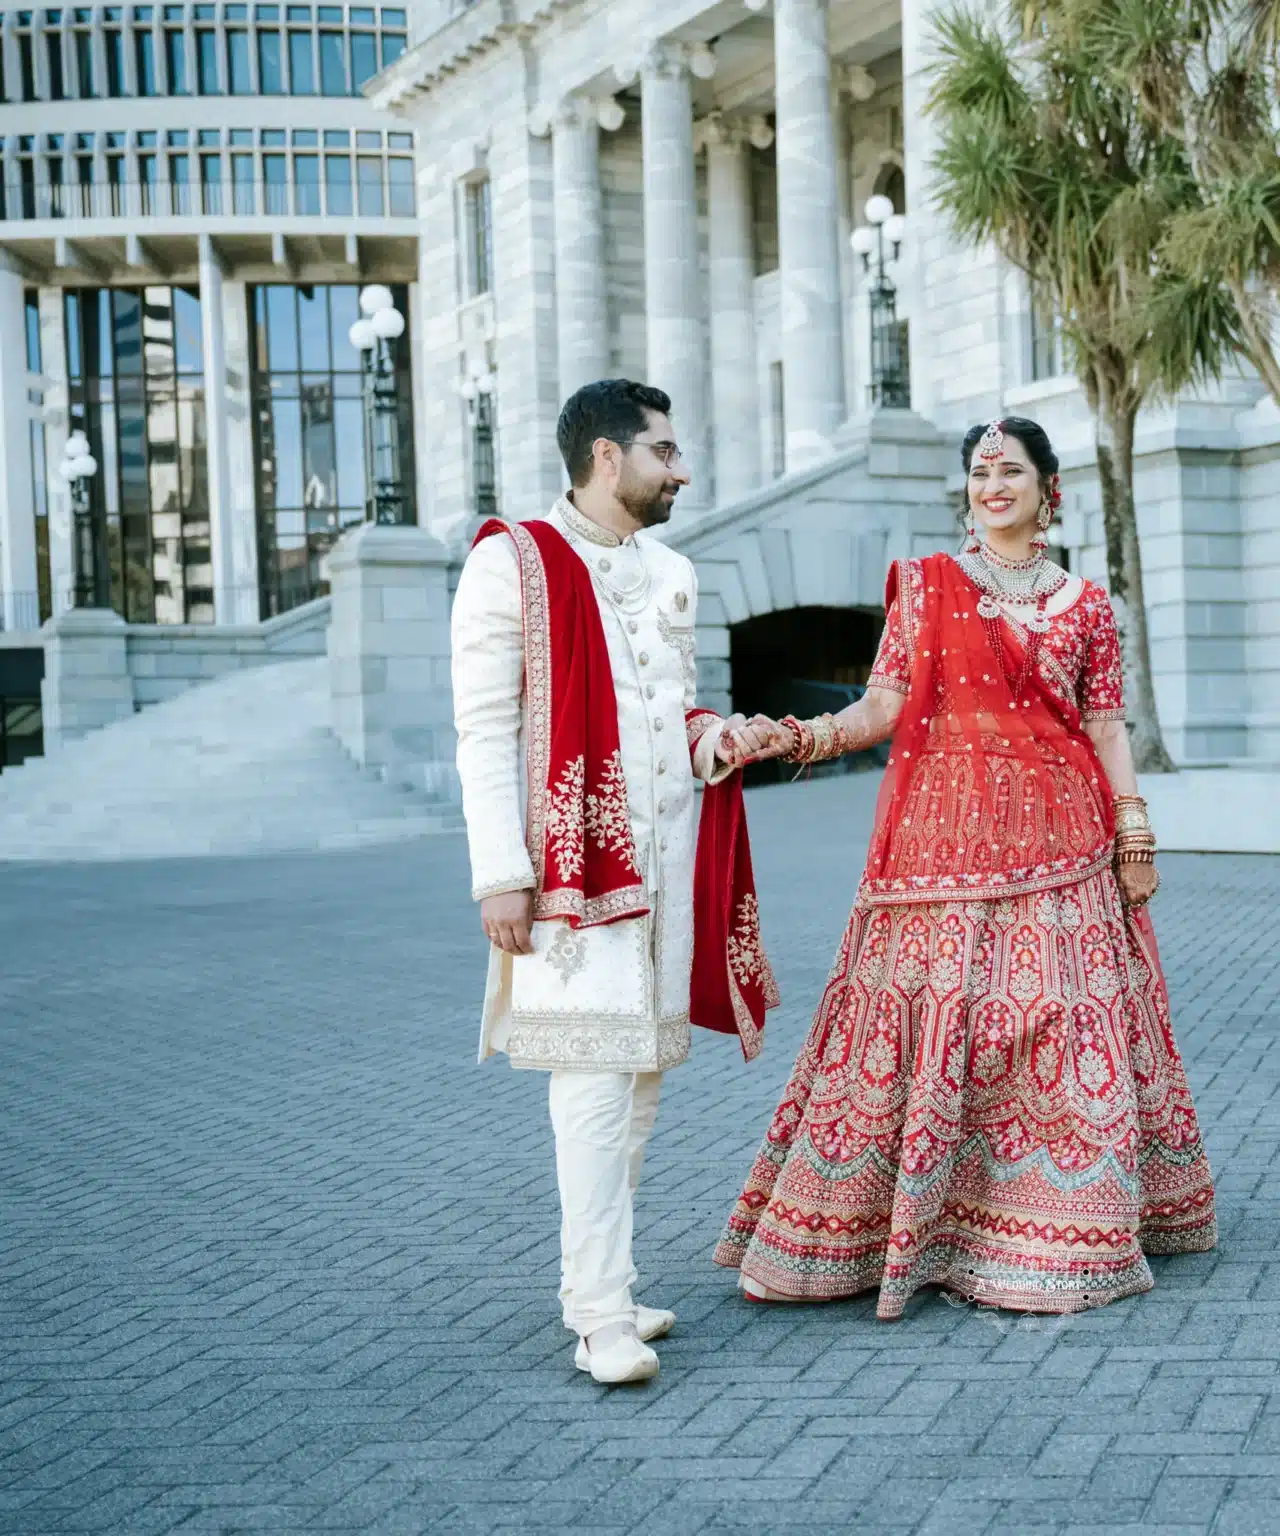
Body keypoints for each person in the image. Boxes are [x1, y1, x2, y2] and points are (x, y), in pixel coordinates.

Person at [715, 416, 1217, 1318]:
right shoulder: (928, 588)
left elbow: (1104, 725)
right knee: (955, 1035)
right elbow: (879, 707)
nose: (993, 486)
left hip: (1067, 846)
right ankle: (915, 1227)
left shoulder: (1086, 604)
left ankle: (1059, 1227)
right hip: (941, 850)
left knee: (1058, 1031)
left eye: (1011, 471)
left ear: (1047, 488)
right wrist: (792, 737)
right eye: (980, 472)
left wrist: (1134, 828)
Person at [451, 379, 774, 1383]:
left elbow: (672, 713)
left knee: (636, 1089)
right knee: (589, 1087)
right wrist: (501, 875)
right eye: (663, 453)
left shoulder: (670, 570)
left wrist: (718, 739)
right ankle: (597, 1317)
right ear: (604, 457)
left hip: (665, 869)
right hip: (569, 872)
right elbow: (482, 731)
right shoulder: (512, 564)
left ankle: (610, 1284)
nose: (679, 471)